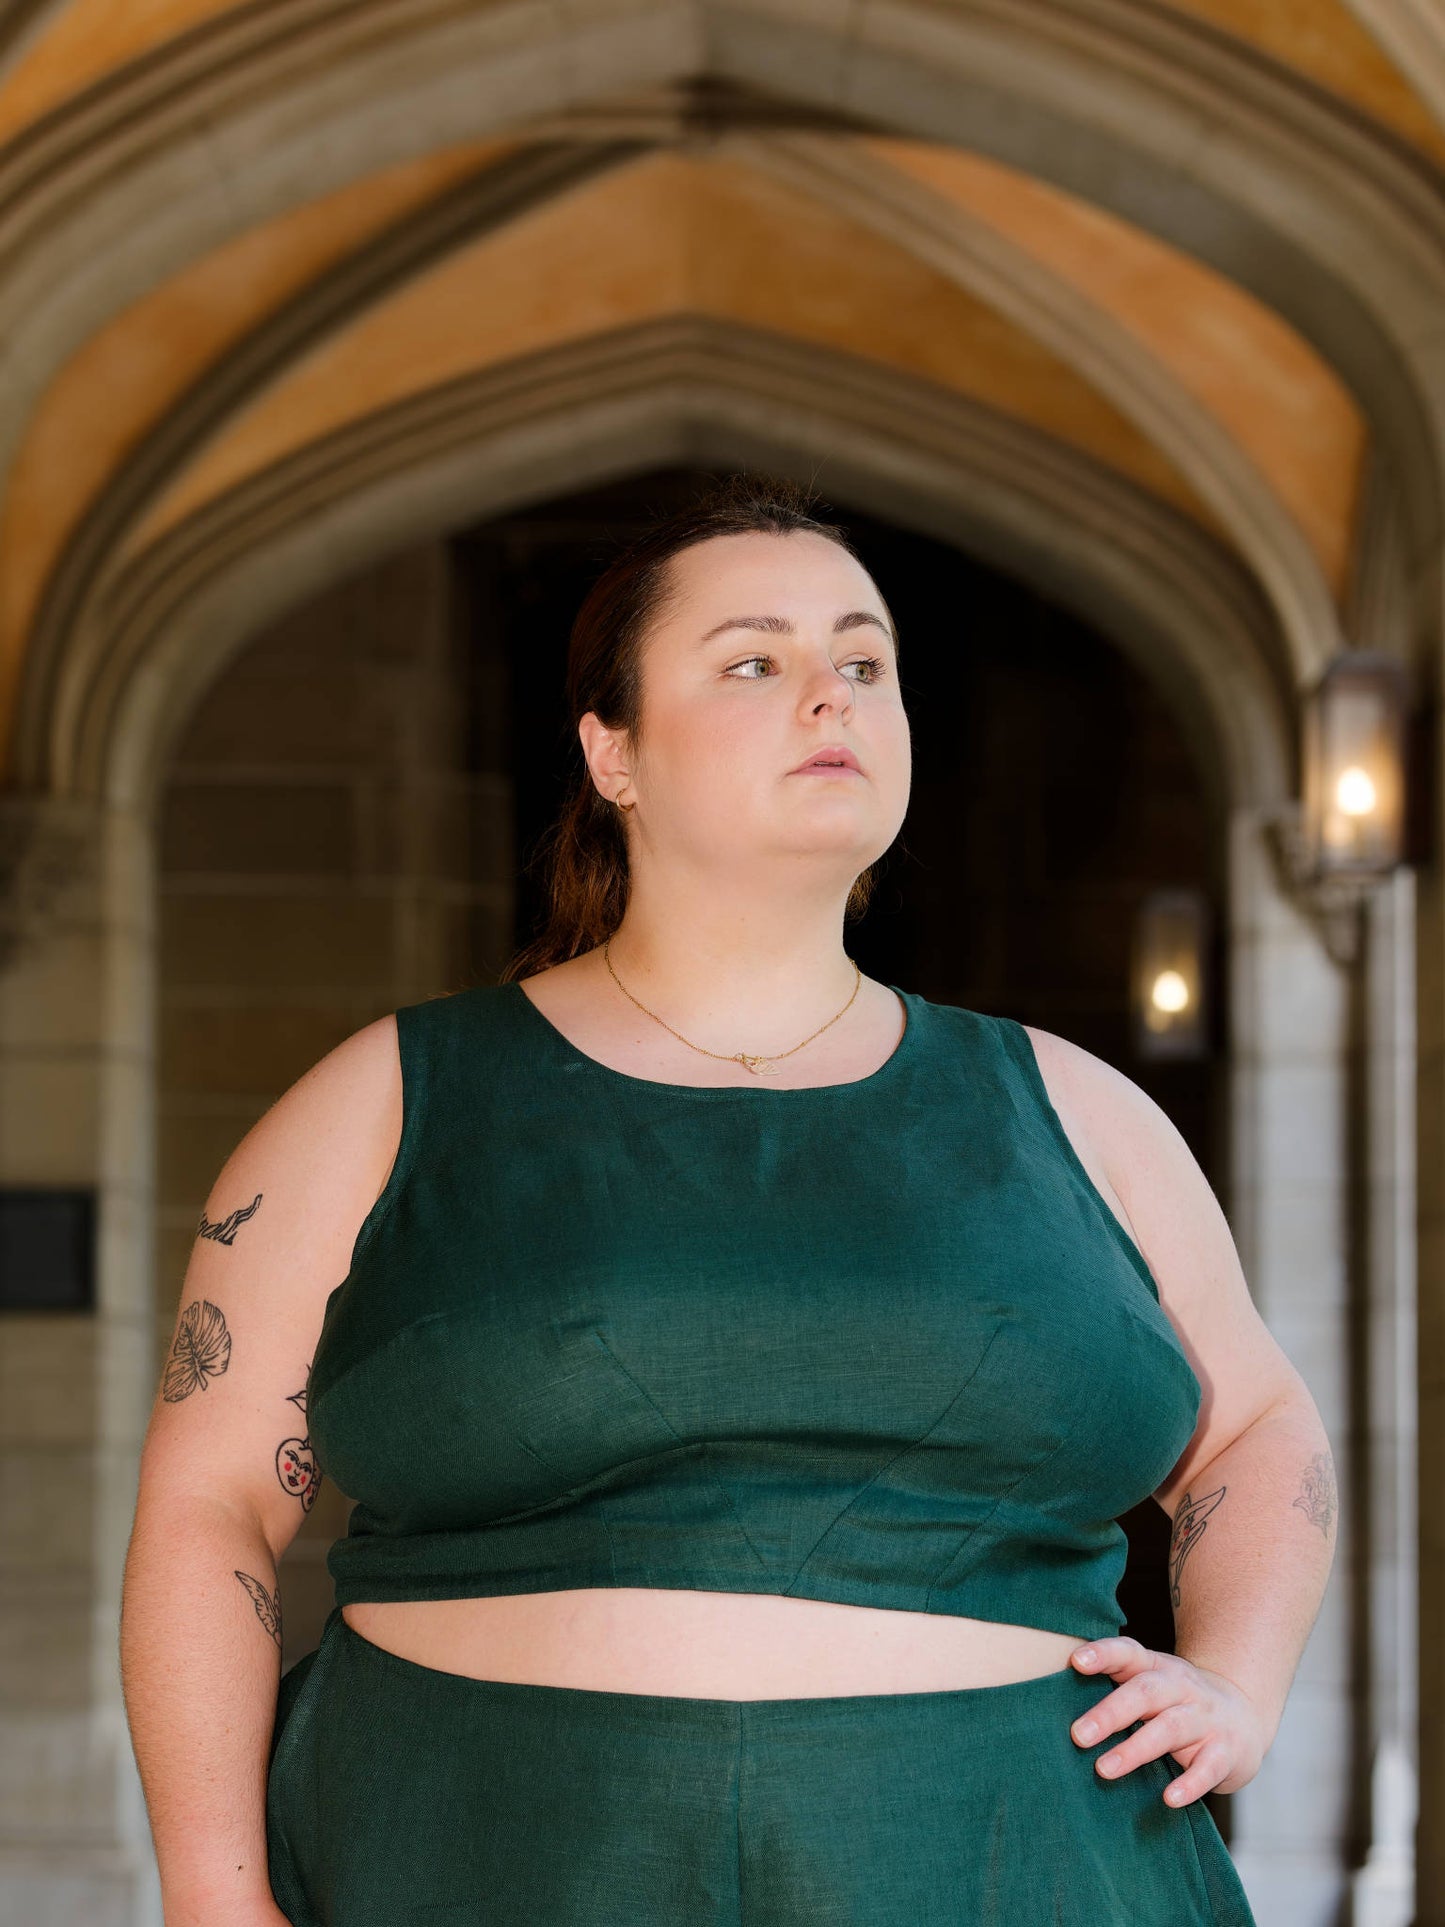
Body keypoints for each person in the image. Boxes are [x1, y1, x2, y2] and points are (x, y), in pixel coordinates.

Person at [120, 473, 1331, 1925]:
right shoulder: (379, 1103)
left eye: (864, 663)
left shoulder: (1082, 1113)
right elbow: (208, 1506)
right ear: (612, 750)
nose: (830, 694)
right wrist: (211, 1894)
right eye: (755, 661)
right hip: (480, 1861)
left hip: (1019, 1865)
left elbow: (1254, 1426)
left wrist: (1239, 1684)